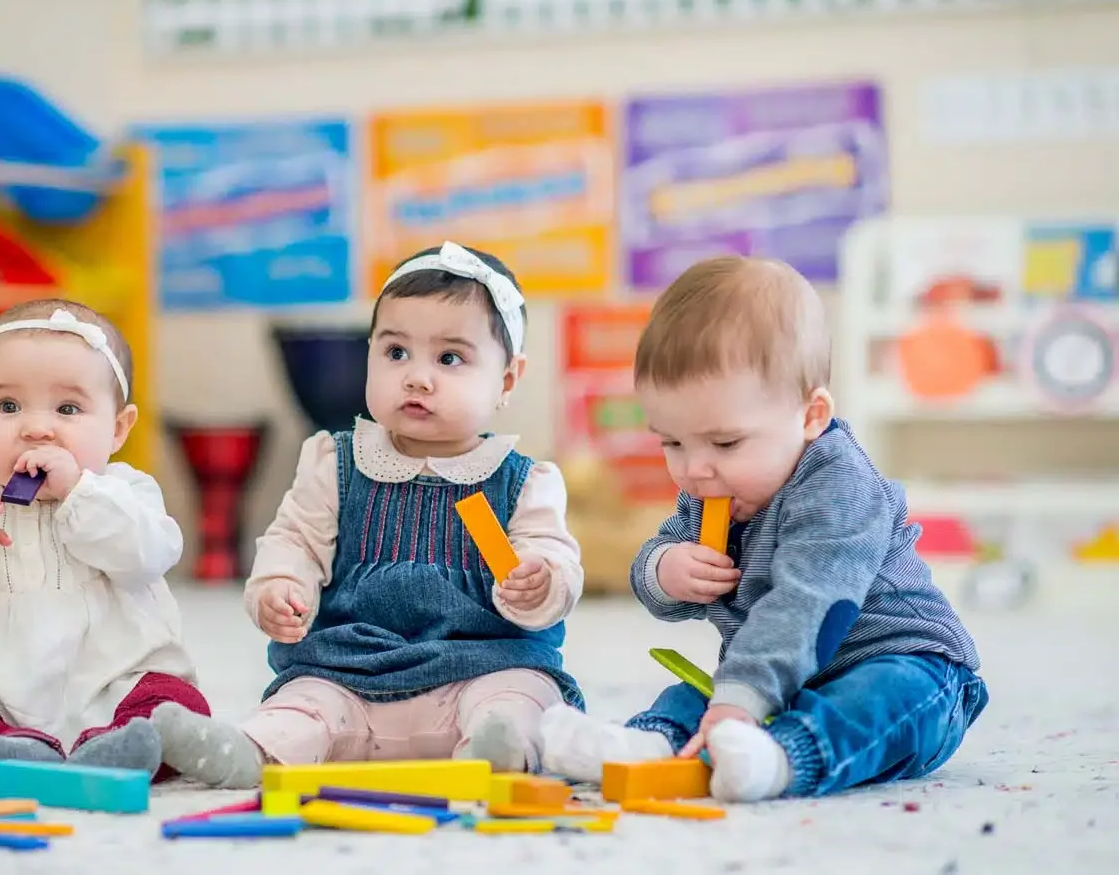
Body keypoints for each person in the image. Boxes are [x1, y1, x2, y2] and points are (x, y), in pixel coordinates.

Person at [540, 256, 988, 802]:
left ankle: (780, 760)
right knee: (691, 697)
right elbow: (660, 575)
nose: (695, 468)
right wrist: (665, 571)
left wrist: (745, 696)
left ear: (810, 416)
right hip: (785, 679)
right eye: (673, 443)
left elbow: (808, 604)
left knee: (882, 699)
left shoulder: (839, 483)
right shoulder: (711, 489)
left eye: (724, 443)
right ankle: (646, 746)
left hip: (912, 666)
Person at [153, 241, 585, 786]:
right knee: (305, 704)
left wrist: (540, 583)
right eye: (396, 352)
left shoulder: (524, 481)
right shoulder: (336, 462)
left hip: (484, 665)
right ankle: (251, 751)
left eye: (450, 358)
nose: (417, 377)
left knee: (524, 695)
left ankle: (496, 749)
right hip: (351, 671)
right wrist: (281, 585)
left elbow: (554, 556)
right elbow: (295, 539)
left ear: (506, 380)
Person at [0, 299, 208, 790]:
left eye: (67, 408)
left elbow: (148, 557)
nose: (37, 428)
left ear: (118, 427)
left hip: (115, 680)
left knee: (178, 708)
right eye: (8, 406)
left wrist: (78, 494)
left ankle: (121, 746)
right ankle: (1, 747)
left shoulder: (127, 490)